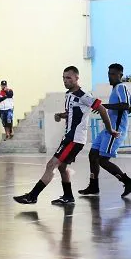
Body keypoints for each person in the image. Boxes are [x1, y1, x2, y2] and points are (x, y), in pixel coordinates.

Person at [14, 66, 119, 206]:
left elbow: (102, 109)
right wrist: (61, 115)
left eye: (68, 78)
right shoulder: (69, 94)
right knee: (62, 167)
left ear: (76, 78)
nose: (65, 80)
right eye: (63, 78)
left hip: (74, 139)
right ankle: (68, 196)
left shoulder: (84, 95)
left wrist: (110, 129)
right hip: (69, 137)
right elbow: (72, 113)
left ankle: (32, 196)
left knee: (51, 164)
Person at [79, 63, 131, 197]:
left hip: (116, 130)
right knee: (92, 155)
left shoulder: (121, 87)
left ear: (120, 75)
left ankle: (127, 181)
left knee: (103, 160)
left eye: (113, 74)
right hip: (106, 130)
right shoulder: (115, 89)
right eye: (109, 74)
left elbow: (125, 105)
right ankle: (93, 186)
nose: (110, 76)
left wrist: (103, 106)